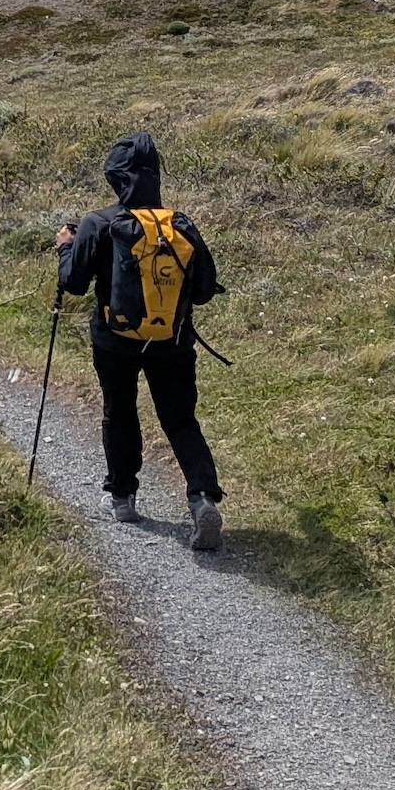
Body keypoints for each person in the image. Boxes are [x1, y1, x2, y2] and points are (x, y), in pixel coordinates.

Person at [55, 131, 226, 551]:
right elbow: (204, 290)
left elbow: (73, 283)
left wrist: (65, 247)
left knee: (120, 412)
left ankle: (123, 497)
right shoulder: (180, 225)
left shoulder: (99, 223)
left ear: (115, 178)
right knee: (181, 420)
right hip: (172, 340)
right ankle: (202, 498)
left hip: (115, 341)